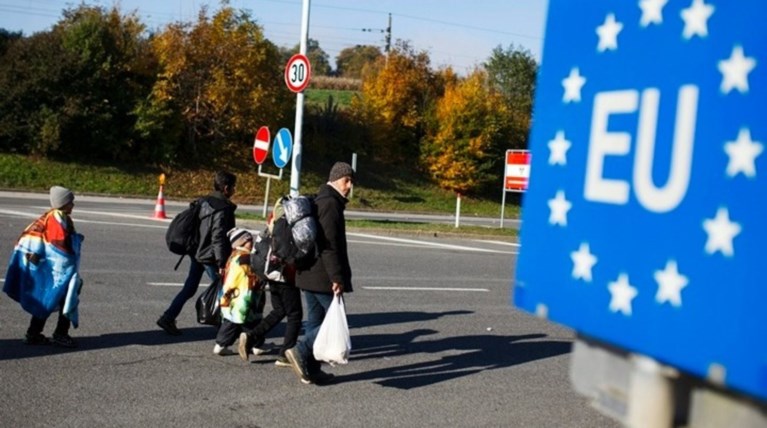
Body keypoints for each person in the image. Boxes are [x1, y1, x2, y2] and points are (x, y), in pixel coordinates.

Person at [285, 161, 355, 385]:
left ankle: (311, 368)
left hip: (308, 273)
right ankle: (300, 350)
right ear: (336, 179)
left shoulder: (320, 199)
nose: (350, 185)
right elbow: (329, 245)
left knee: (316, 322)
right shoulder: (330, 204)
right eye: (347, 180)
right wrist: (337, 277)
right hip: (323, 275)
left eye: (351, 181)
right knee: (332, 322)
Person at [157, 171, 237, 335]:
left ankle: (168, 317)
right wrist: (222, 263)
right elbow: (218, 237)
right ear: (226, 188)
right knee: (224, 289)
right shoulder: (222, 208)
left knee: (190, 288)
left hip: (196, 253)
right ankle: (225, 328)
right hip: (210, 257)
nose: (235, 190)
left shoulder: (203, 201)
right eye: (234, 187)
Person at [3, 186, 84, 348]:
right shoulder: (57, 218)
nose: (73, 205)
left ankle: (33, 333)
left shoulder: (51, 216)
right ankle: (60, 334)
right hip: (57, 270)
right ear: (63, 203)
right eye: (70, 202)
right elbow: (58, 246)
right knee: (66, 298)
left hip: (46, 267)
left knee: (46, 298)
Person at [237, 214, 303, 366]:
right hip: (284, 276)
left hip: (269, 273)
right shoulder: (292, 226)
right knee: (295, 315)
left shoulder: (275, 223)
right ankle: (285, 354)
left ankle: (251, 336)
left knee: (279, 310)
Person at [213, 228, 266, 355]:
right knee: (248, 322)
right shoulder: (245, 258)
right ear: (240, 243)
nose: (251, 242)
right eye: (248, 240)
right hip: (244, 296)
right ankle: (255, 345)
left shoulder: (233, 256)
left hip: (232, 296)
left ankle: (221, 344)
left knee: (232, 321)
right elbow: (251, 277)